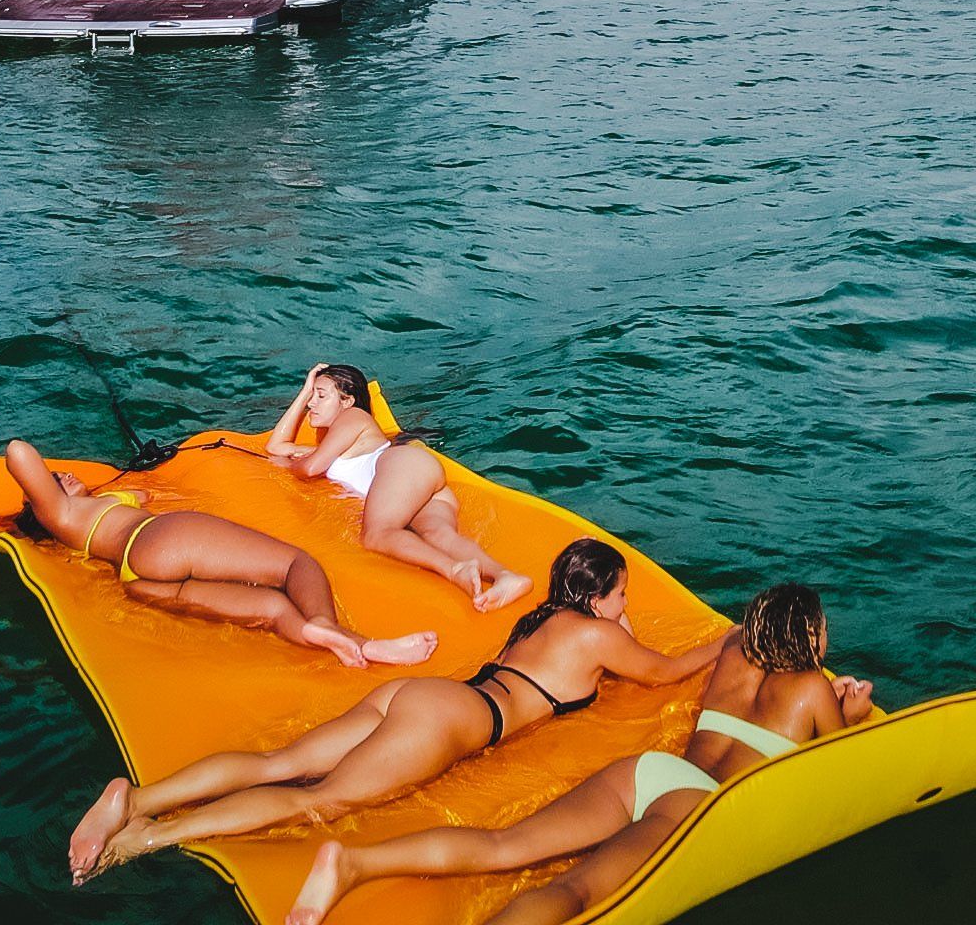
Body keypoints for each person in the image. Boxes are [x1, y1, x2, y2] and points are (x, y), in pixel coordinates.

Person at [67, 539, 723, 885]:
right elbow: (664, 672)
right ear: (601, 594)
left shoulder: (539, 622)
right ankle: (145, 839)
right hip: (451, 719)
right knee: (316, 802)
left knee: (283, 763)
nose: (623, 605)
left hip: (424, 695)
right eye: (621, 593)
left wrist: (613, 615)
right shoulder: (596, 632)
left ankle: (140, 796)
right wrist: (728, 637)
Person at [282, 583, 871, 925]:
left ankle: (353, 864)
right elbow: (829, 755)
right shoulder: (813, 688)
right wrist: (855, 711)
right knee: (575, 892)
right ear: (813, 636)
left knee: (503, 845)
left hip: (650, 774)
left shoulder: (734, 657)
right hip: (696, 805)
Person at [1, 440, 435, 672]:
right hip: (159, 539)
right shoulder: (60, 514)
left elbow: (140, 490)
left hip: (137, 581)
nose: (66, 473)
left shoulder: (82, 517)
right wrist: (40, 495)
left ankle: (367, 648)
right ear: (41, 503)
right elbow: (18, 452)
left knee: (272, 608)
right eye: (56, 477)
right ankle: (326, 624)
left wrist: (95, 490)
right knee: (296, 565)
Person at [267, 364, 532, 612]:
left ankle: (454, 570)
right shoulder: (332, 446)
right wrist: (304, 391)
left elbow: (309, 469)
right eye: (311, 396)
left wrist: (297, 463)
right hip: (414, 480)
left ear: (347, 401)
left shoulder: (352, 416)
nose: (312, 403)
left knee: (376, 534)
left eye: (320, 395)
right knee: (440, 536)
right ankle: (506, 577)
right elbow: (275, 447)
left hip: (401, 465)